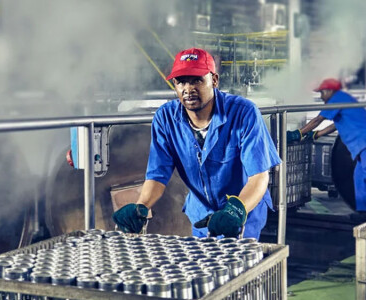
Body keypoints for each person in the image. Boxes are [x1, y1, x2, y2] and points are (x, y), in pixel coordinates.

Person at [113, 48, 281, 238]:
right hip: (202, 215)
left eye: (197, 80)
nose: (188, 89)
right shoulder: (166, 118)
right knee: (205, 265)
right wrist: (141, 207)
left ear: (214, 80)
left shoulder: (243, 113)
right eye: (181, 81)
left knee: (239, 265)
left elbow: (259, 176)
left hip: (242, 212)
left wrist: (237, 211)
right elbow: (157, 174)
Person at [288, 78, 366, 218]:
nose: (321, 97)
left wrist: (300, 132)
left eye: (322, 93)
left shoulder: (337, 98)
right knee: (360, 177)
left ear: (330, 91)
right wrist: (317, 134)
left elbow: (318, 120)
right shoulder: (344, 99)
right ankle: (365, 212)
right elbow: (336, 124)